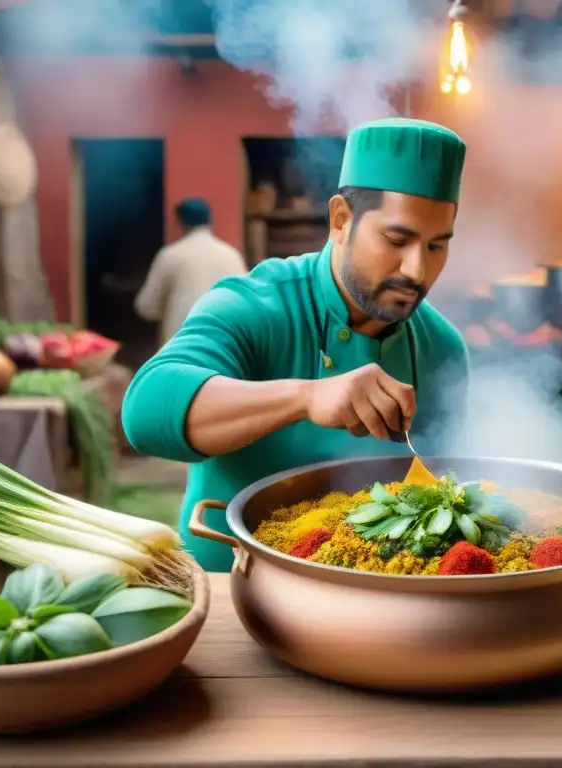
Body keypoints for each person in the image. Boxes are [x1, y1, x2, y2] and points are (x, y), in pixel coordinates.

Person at [122, 118, 470, 571]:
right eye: (397, 239)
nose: (417, 271)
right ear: (342, 221)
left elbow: (443, 496)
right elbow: (145, 411)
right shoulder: (257, 304)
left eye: (436, 247)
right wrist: (307, 396)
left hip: (379, 601)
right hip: (234, 589)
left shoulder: (440, 349)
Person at [134, 198, 247, 345]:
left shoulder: (171, 255)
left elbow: (147, 307)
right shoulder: (231, 255)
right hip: (226, 343)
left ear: (179, 223)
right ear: (209, 221)